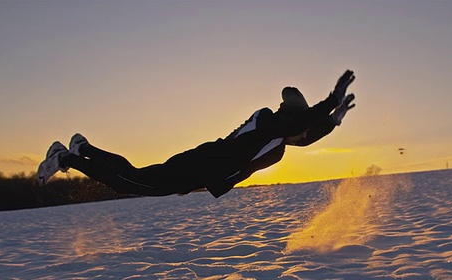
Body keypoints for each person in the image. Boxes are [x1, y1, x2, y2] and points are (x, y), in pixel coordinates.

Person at [38, 70, 356, 198]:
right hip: (199, 166)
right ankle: (67, 157)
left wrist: (334, 121)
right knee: (129, 182)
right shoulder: (271, 125)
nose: (302, 135)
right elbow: (300, 129)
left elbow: (305, 137)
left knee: (134, 175)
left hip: (200, 166)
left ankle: (84, 147)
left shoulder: (274, 134)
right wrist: (330, 101)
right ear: (295, 117)